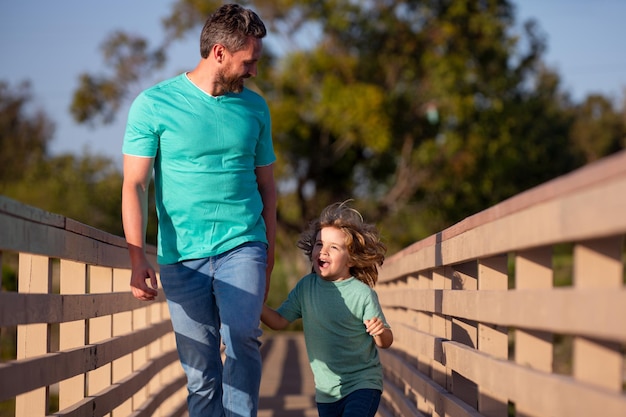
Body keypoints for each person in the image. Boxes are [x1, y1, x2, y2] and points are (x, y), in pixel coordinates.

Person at [121, 4, 276, 417]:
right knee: (201, 372)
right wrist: (137, 256)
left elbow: (268, 187)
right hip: (180, 258)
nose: (254, 72)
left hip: (242, 244)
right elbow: (135, 184)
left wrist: (270, 251)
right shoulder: (153, 105)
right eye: (249, 62)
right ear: (220, 53)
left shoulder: (255, 108)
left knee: (242, 335)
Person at [261, 201, 393, 417]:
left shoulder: (362, 294)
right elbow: (278, 321)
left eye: (334, 247)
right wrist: (254, 304)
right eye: (319, 244)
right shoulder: (306, 288)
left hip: (363, 383)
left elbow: (386, 341)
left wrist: (380, 332)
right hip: (327, 392)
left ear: (350, 258)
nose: (323, 251)